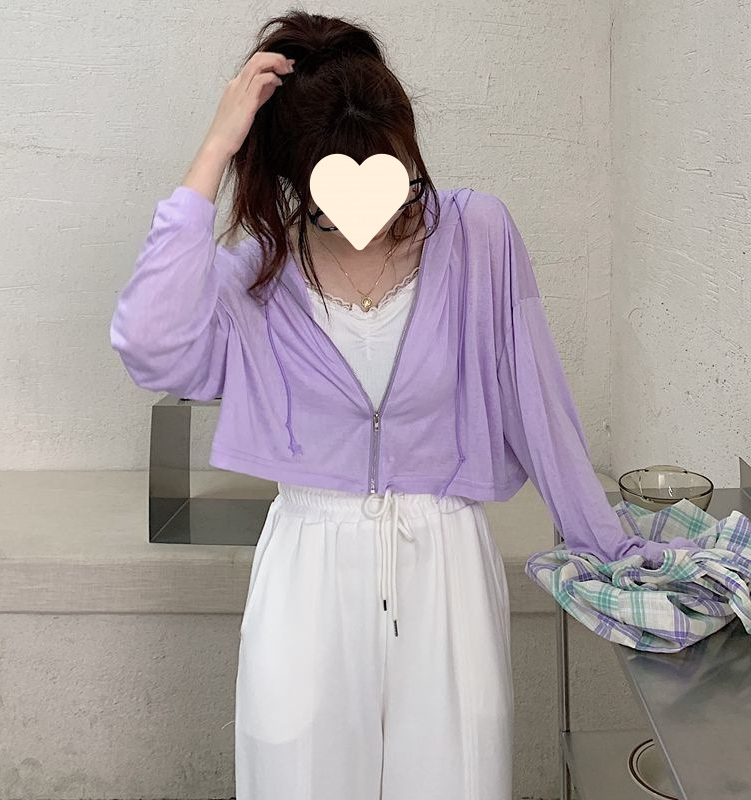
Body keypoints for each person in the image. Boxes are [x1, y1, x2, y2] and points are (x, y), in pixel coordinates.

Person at [110, 10, 698, 800]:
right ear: (294, 174)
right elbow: (148, 345)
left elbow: (541, 406)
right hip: (307, 573)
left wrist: (613, 551)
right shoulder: (257, 271)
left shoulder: (477, 235)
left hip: (446, 572)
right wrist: (216, 148)